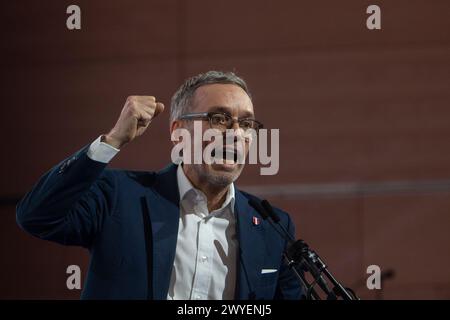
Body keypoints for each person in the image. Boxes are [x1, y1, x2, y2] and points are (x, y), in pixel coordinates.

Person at [16, 71, 304, 300]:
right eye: (219, 119)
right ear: (179, 133)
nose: (236, 134)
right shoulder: (118, 196)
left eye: (247, 123)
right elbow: (37, 216)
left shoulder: (272, 226)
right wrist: (113, 140)